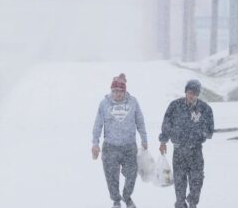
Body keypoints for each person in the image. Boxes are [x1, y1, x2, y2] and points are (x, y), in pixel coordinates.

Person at [92, 73, 148, 208]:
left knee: (131, 174)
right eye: (115, 91)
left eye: (121, 91)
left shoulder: (133, 102)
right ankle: (116, 200)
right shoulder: (104, 104)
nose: (118, 94)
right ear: (111, 91)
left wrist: (144, 138)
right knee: (111, 176)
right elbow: (98, 124)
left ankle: (127, 197)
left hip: (129, 146)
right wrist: (95, 143)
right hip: (110, 146)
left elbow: (140, 121)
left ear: (125, 91)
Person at [158, 79, 215, 208]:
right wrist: (163, 141)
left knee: (197, 181)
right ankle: (180, 204)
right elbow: (166, 125)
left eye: (195, 93)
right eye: (190, 92)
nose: (192, 95)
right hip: (179, 151)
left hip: (196, 151)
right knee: (179, 182)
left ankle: (192, 202)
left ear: (198, 94)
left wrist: (199, 134)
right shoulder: (174, 106)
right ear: (186, 92)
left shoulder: (205, 108)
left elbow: (210, 131)